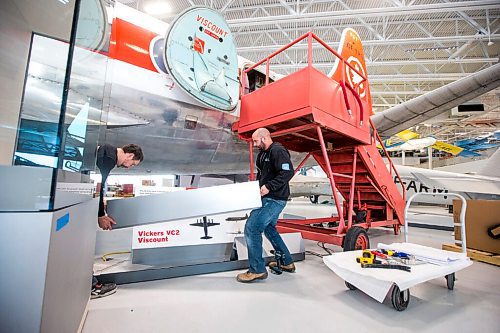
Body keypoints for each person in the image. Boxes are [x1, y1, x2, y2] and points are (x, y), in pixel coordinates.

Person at [236, 128, 296, 283]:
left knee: (252, 227)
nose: (255, 144)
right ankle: (287, 262)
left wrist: (269, 186)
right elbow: (263, 174)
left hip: (275, 198)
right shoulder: (263, 153)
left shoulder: (278, 151)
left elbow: (288, 173)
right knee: (269, 228)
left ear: (264, 138)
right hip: (266, 197)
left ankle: (257, 270)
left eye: (256, 141)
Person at [91, 143, 144, 299]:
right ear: (129, 155)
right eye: (132, 164)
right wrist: (101, 215)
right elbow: (99, 187)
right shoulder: (108, 158)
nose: (129, 167)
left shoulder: (107, 151)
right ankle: (92, 287)